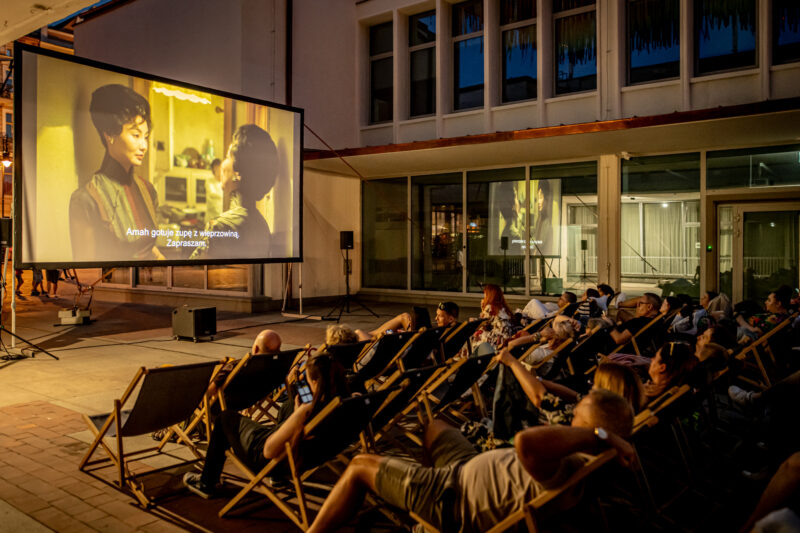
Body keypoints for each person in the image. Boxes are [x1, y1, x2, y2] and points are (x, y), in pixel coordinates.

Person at [305, 388, 634, 533]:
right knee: (436, 426)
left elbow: (526, 444)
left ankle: (422, 504)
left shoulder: (572, 461)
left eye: (577, 415)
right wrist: (599, 434)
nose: (569, 416)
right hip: (466, 469)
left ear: (596, 428)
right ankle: (416, 498)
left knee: (360, 465)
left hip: (452, 499)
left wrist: (595, 434)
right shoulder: (587, 459)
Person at [184, 351, 349, 498]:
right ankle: (277, 479)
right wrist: (295, 412)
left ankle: (207, 482)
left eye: (307, 378)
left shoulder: (307, 411)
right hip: (305, 455)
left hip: (264, 459)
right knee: (288, 405)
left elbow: (269, 450)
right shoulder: (345, 404)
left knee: (224, 418)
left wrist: (298, 415)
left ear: (314, 381)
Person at [70, 84, 164, 262]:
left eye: (145, 137)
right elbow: (85, 269)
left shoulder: (148, 190)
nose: (143, 146)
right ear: (109, 135)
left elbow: (150, 250)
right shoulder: (85, 199)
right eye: (136, 135)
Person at [190, 124, 279, 260]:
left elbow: (191, 276)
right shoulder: (262, 225)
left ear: (238, 172)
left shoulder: (220, 227)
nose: (222, 164)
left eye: (227, 157)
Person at [472, 283, 516, 350]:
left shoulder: (490, 307)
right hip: (506, 339)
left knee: (473, 336)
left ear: (489, 296)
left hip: (496, 342)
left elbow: (483, 325)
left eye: (485, 296)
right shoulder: (503, 308)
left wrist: (483, 309)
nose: (484, 298)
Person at [531, 180, 555, 256]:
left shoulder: (549, 222)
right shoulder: (539, 219)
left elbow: (540, 244)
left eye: (541, 197)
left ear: (547, 199)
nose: (538, 201)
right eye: (537, 197)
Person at [205, 158, 224, 222]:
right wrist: (225, 196)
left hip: (222, 217)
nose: (219, 171)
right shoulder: (209, 181)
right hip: (211, 217)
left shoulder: (224, 183)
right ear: (213, 170)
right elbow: (212, 194)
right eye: (216, 169)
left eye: (220, 168)